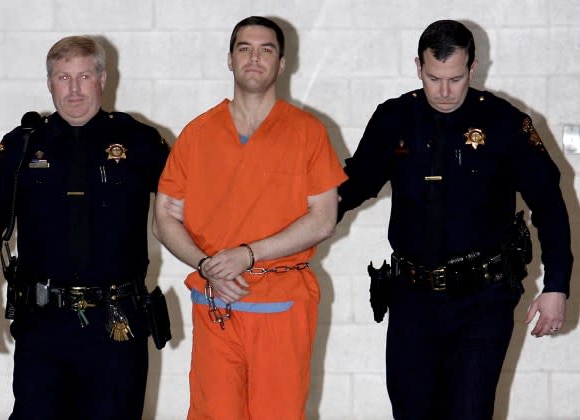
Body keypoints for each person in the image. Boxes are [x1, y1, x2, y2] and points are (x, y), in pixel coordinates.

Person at [338, 19, 573, 419]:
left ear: (473, 68)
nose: (444, 91)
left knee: (469, 412)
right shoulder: (394, 119)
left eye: (455, 78)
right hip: (412, 299)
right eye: (433, 78)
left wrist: (557, 285)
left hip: (481, 300)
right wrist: (292, 224)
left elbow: (549, 204)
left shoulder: (505, 123)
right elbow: (352, 187)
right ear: (418, 66)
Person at [0, 35, 169, 420]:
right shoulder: (22, 146)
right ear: (49, 82)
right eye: (63, 77)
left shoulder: (139, 142)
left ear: (103, 79)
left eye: (84, 76)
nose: (74, 89)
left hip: (116, 325)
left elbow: (189, 207)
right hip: (44, 325)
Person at [153, 16, 347, 419]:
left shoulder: (307, 132)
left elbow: (323, 219)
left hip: (282, 306)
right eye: (244, 48)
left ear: (281, 64)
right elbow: (165, 218)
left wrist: (248, 254)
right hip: (215, 304)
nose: (254, 58)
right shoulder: (198, 134)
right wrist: (207, 265)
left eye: (266, 49)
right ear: (229, 59)